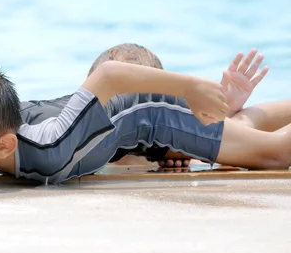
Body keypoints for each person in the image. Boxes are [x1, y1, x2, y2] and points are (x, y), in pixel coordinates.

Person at [0, 55, 291, 187]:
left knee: (275, 154)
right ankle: (227, 114)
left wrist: (191, 88)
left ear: (4, 145)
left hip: (151, 114)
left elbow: (110, 74)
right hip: (121, 127)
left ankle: (214, 111)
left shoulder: (48, 146)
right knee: (241, 131)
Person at [20, 43, 271, 169]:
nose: (128, 113)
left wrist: (219, 116)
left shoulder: (165, 148)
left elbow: (231, 155)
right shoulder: (79, 142)